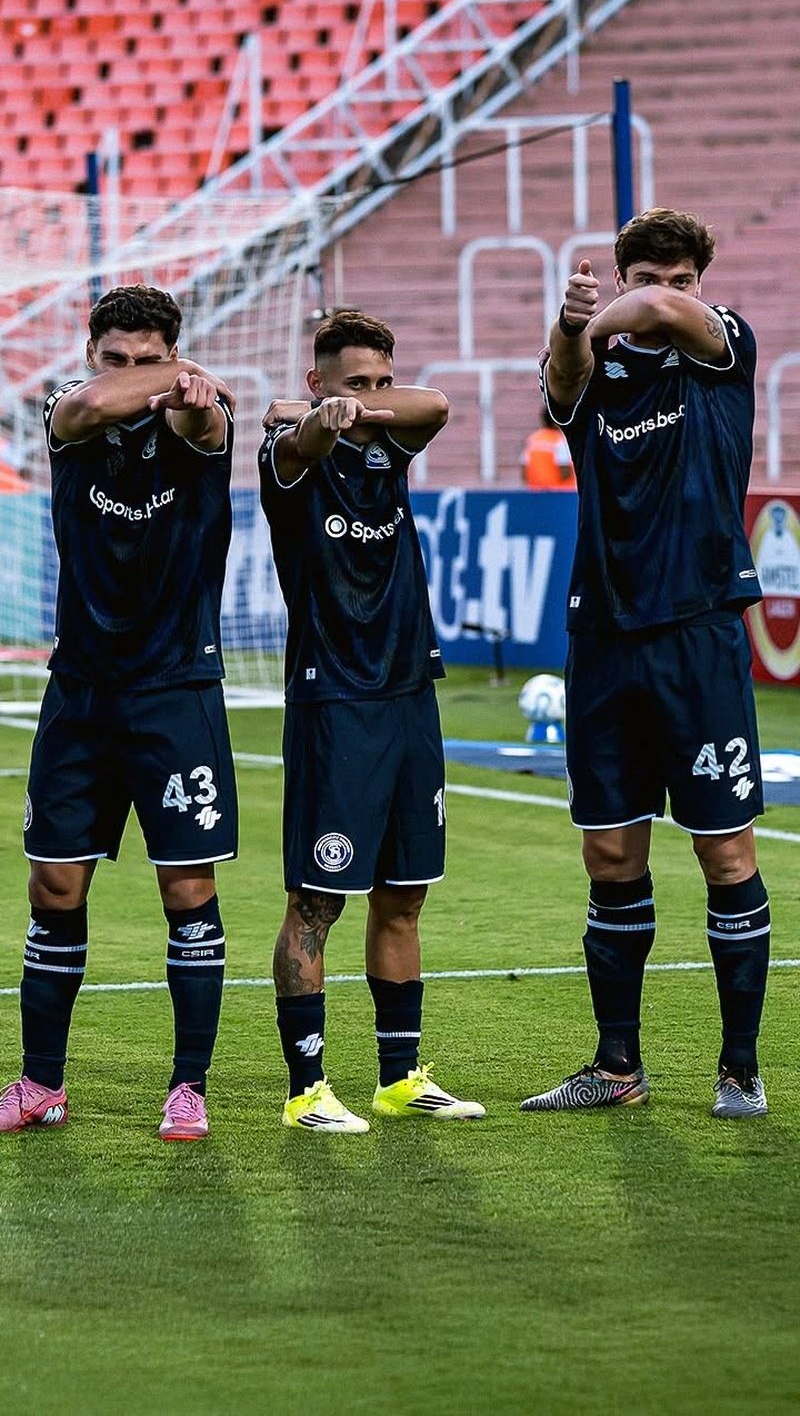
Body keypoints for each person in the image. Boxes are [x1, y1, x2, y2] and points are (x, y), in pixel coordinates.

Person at [0, 284, 236, 1143]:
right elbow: (85, 407)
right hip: (79, 689)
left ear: (170, 353)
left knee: (187, 888)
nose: (130, 375)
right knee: (54, 884)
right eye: (116, 359)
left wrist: (191, 394)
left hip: (176, 691)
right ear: (93, 357)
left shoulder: (201, 417)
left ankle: (187, 1085)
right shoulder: (69, 412)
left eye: (148, 359)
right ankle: (41, 1083)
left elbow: (207, 427)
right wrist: (173, 375)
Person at [522, 208, 771, 1119]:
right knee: (610, 852)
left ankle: (739, 1069)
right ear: (620, 274)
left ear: (701, 281)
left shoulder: (724, 344)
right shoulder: (592, 364)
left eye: (683, 276)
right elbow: (562, 377)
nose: (669, 289)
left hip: (699, 631)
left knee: (726, 851)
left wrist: (621, 305)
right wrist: (571, 320)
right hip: (605, 638)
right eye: (648, 274)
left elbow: (673, 319)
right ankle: (617, 1067)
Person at [258, 310, 484, 1132]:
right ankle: (306, 1090)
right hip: (334, 699)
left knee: (405, 894)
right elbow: (300, 445)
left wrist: (363, 408)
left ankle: (398, 1076)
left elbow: (438, 405)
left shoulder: (390, 441)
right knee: (317, 901)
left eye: (381, 380)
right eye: (356, 382)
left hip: (409, 691)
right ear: (318, 380)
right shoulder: (286, 460)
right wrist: (310, 419)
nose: (373, 398)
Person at [522, 407, 576, 490]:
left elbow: (524, 474)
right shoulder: (561, 440)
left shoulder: (533, 439)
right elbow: (564, 472)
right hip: (562, 495)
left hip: (536, 494)